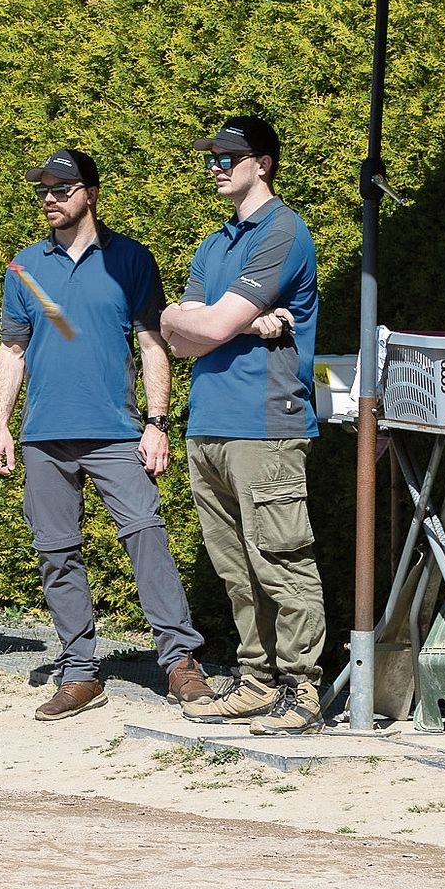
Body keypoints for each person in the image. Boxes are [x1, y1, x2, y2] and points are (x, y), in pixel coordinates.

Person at [0, 148, 213, 720]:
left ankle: (180, 661)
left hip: (116, 433)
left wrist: (157, 423)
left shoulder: (132, 260)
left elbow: (153, 341)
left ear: (90, 193)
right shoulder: (23, 267)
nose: (50, 197)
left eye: (62, 188)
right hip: (43, 437)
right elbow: (11, 349)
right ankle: (80, 671)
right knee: (56, 553)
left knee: (147, 538)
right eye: (44, 188)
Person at [158, 114, 326, 736]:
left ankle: (303, 689)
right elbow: (180, 343)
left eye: (231, 157)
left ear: (264, 163)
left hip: (265, 425)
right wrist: (199, 319)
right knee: (236, 568)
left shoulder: (282, 233)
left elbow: (208, 328)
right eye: (213, 157)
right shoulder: (214, 243)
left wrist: (200, 320)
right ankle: (257, 680)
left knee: (282, 558)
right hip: (208, 423)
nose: (218, 167)